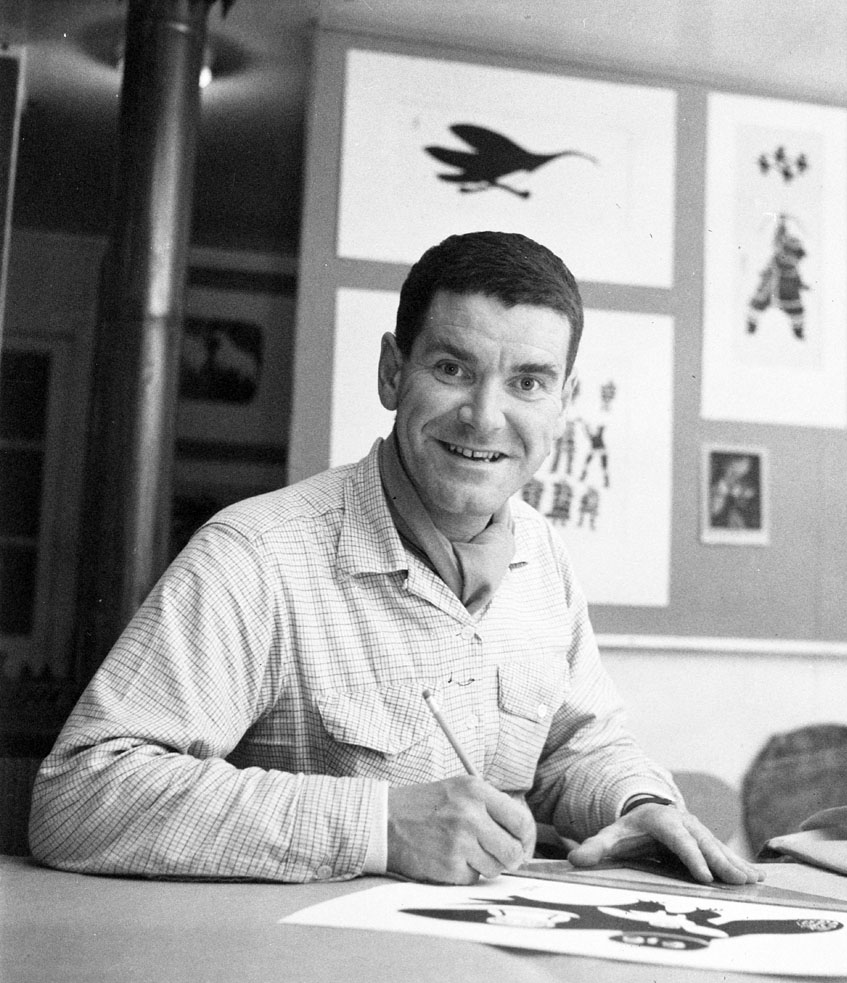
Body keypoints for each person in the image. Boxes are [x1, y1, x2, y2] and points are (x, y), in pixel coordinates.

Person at [30, 232, 764, 888]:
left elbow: (578, 745)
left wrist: (639, 800)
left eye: (528, 382)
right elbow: (79, 795)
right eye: (452, 367)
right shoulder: (255, 554)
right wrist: (375, 824)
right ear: (392, 371)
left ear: (562, 404)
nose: (484, 415)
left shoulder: (544, 554)